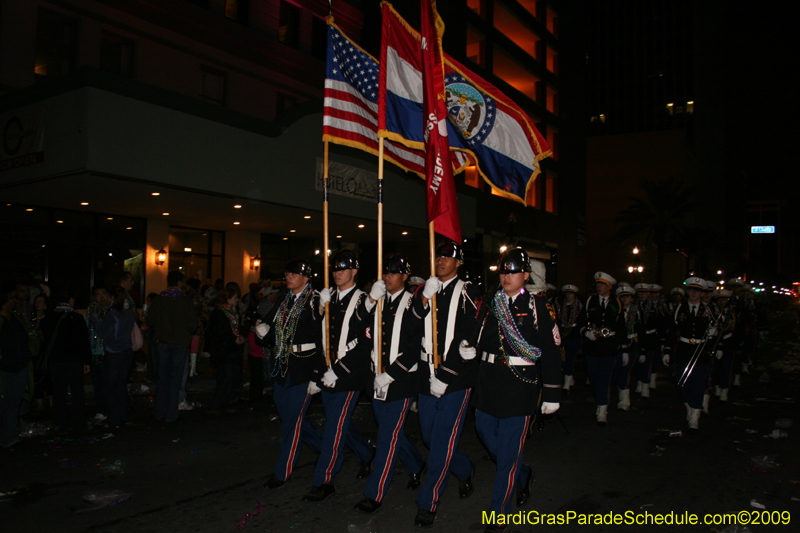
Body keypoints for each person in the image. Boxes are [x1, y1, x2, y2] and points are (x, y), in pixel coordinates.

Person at [473, 249, 561, 532]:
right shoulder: (490, 304)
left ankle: (499, 513)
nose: (507, 277)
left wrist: (552, 394)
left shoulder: (538, 307)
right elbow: (476, 336)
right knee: (486, 434)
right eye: (503, 272)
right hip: (488, 383)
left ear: (525, 275)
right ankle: (522, 474)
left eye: (513, 272)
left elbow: (550, 352)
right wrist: (468, 348)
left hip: (520, 386)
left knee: (508, 454)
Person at [411, 240, 481, 528]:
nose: (441, 260)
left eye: (447, 256)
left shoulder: (467, 291)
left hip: (455, 377)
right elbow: (409, 324)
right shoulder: (425, 288)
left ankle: (428, 501)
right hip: (426, 372)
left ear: (458, 262)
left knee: (441, 442)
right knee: (429, 436)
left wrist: (447, 374)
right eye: (438, 255)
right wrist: (423, 300)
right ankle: (464, 469)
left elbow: (469, 333)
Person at [353, 253, 425, 514]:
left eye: (393, 272)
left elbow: (415, 346)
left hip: (400, 380)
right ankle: (416, 465)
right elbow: (356, 326)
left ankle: (375, 493)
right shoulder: (378, 301)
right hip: (376, 379)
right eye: (386, 272)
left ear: (405, 277)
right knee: (391, 432)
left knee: (386, 438)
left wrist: (391, 374)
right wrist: (370, 299)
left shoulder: (413, 304)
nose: (388, 276)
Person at [303, 249, 375, 502]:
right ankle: (366, 453)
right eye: (334, 268)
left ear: (354, 272)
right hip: (326, 371)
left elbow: (365, 345)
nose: (337, 272)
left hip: (348, 375)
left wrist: (339, 370)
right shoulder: (327, 297)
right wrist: (318, 309)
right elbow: (316, 336)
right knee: (340, 421)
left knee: (333, 426)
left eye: (342, 268)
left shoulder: (364, 301)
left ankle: (324, 479)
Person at [257, 259, 323, 490]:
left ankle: (282, 472)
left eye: (293, 273)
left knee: (292, 424)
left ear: (306, 277)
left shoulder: (315, 302)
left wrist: (317, 374)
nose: (288, 276)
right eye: (287, 273)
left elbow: (322, 341)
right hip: (283, 366)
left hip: (304, 368)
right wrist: (263, 332)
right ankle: (325, 446)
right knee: (291, 418)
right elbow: (270, 326)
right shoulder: (285, 299)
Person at [662, 277, 719, 430]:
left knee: (699, 384)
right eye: (691, 290)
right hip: (683, 350)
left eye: (697, 291)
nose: (694, 293)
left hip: (701, 351)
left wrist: (714, 334)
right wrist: (667, 351)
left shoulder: (709, 310)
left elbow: (717, 330)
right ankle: (690, 407)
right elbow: (671, 332)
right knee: (682, 385)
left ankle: (695, 416)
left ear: (702, 293)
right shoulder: (679, 309)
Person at [146, 272, 198, 424]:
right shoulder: (184, 300)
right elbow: (193, 325)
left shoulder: (159, 299)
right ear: (180, 282)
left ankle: (158, 412)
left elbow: (150, 320)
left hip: (162, 342)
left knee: (162, 379)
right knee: (175, 380)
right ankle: (171, 414)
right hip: (179, 344)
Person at [39, 288, 92, 435]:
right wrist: (86, 361)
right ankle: (79, 423)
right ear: (71, 300)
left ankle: (60, 423)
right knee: (77, 393)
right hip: (74, 361)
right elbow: (84, 342)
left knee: (58, 392)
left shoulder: (49, 317)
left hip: (57, 360)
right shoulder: (76, 318)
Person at [579, 272, 625, 425]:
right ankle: (600, 401)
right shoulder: (590, 301)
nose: (599, 287)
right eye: (598, 284)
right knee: (594, 378)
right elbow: (581, 321)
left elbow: (621, 325)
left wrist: (623, 347)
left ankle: (602, 410)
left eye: (603, 284)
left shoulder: (616, 302)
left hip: (609, 347)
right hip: (592, 347)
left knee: (605, 379)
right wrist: (586, 332)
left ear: (609, 287)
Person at [89, 286, 136, 430]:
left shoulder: (112, 314)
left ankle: (113, 418)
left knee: (109, 387)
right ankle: (121, 417)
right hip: (126, 352)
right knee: (121, 386)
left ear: (111, 298)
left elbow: (103, 333)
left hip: (114, 353)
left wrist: (95, 318)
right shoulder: (129, 313)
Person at [0, 283, 37, 448]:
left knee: (14, 404)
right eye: (10, 299)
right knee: (4, 403)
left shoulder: (16, 318)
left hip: (20, 366)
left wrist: (29, 352)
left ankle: (10, 436)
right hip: (4, 369)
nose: (13, 302)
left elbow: (29, 336)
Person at [207, 286, 246, 413]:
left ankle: (226, 403)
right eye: (235, 298)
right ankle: (218, 405)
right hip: (225, 352)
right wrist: (232, 339)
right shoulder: (220, 313)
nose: (237, 300)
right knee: (225, 379)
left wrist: (238, 336)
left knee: (232, 378)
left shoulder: (233, 312)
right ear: (228, 299)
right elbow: (219, 333)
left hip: (232, 351)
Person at [87, 285, 112, 421]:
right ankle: (101, 409)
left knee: (110, 383)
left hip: (110, 351)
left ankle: (111, 408)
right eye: (98, 294)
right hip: (95, 352)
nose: (102, 297)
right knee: (98, 384)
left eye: (104, 293)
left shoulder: (112, 310)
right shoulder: (91, 311)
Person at [613, 284, 637, 411]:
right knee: (617, 371)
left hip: (632, 344)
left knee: (625, 371)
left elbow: (641, 330)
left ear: (632, 298)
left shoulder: (636, 311)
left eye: (627, 296)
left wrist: (642, 350)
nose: (624, 299)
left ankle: (625, 400)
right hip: (617, 345)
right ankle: (620, 392)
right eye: (622, 297)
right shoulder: (615, 311)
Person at [632, 283, 659, 398]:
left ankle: (645, 386)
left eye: (644, 292)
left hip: (650, 338)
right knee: (637, 362)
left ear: (648, 293)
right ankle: (639, 382)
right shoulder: (634, 306)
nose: (642, 295)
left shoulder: (655, 307)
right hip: (637, 337)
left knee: (647, 362)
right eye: (640, 292)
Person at [558, 284, 582, 391]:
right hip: (563, 335)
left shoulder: (579, 306)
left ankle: (567, 383)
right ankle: (569, 378)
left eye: (571, 293)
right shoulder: (560, 306)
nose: (569, 295)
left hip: (574, 335)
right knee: (563, 358)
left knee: (570, 358)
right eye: (567, 293)